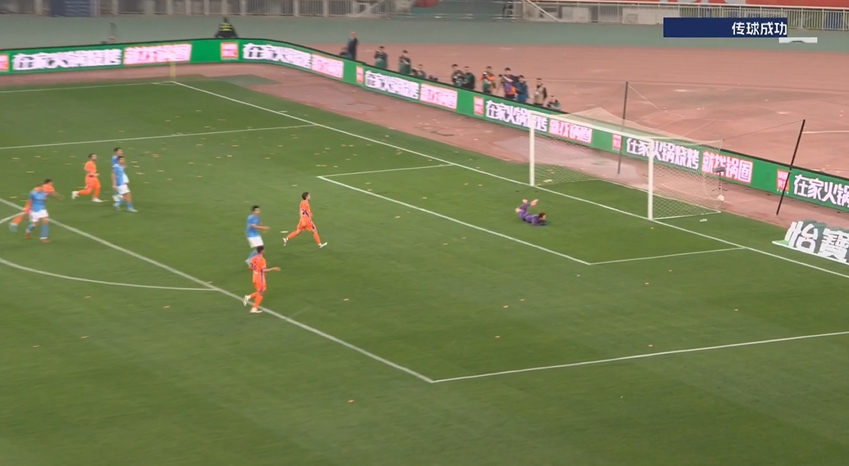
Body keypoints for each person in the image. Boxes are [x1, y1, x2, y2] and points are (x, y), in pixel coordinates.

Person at [243, 246, 280, 314]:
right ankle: (254, 308)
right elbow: (264, 270)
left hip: (254, 277)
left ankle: (248, 297)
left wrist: (256, 271)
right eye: (264, 250)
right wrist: (273, 269)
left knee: (259, 292)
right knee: (261, 293)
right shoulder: (262, 260)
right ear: (262, 251)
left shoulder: (253, 258)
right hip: (260, 279)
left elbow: (250, 267)